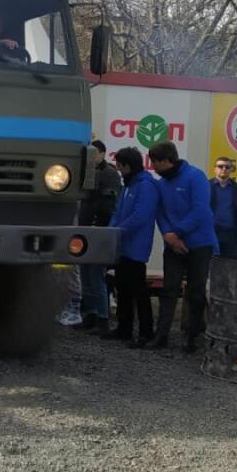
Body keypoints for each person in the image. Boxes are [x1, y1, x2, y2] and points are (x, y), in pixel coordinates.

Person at [147, 141, 217, 353]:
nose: (153, 167)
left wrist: (176, 233)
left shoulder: (196, 177)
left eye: (155, 162)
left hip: (199, 244)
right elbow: (159, 212)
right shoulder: (162, 183)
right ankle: (162, 335)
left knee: (196, 291)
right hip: (173, 245)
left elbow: (200, 210)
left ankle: (191, 337)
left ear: (167, 160)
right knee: (169, 290)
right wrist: (168, 236)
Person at [108, 146, 159, 347]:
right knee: (122, 287)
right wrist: (110, 231)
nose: (119, 171)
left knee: (138, 291)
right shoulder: (128, 185)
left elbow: (141, 215)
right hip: (122, 244)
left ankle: (146, 332)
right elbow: (118, 211)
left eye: (120, 167)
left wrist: (118, 230)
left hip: (136, 246)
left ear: (128, 166)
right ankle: (124, 328)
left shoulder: (146, 186)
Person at [80, 141, 121, 333]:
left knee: (96, 275)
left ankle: (102, 318)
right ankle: (90, 314)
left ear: (103, 154)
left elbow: (109, 204)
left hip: (99, 230)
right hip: (85, 227)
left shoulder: (110, 174)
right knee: (86, 275)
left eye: (95, 153)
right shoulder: (84, 171)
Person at [209, 156, 237, 258]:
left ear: (231, 169)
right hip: (210, 233)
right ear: (215, 169)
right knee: (209, 264)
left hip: (231, 235)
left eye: (227, 167)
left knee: (229, 265)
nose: (224, 169)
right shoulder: (206, 186)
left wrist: (234, 220)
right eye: (220, 166)